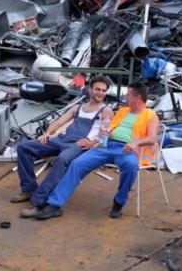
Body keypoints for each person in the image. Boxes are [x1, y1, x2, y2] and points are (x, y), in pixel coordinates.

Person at [35, 81, 159, 220]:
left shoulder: (150, 115)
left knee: (131, 166)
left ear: (137, 97)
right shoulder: (123, 111)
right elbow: (109, 127)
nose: (125, 97)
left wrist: (136, 143)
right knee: (77, 164)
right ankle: (54, 204)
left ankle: (119, 202)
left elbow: (152, 138)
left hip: (127, 149)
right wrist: (103, 133)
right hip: (106, 145)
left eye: (128, 95)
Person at [11, 76, 113, 218]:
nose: (100, 93)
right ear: (90, 89)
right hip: (62, 139)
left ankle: (38, 201)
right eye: (97, 89)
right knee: (24, 147)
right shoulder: (78, 107)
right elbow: (59, 122)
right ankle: (28, 189)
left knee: (63, 159)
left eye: (103, 90)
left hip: (79, 144)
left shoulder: (105, 111)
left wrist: (92, 142)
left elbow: (107, 132)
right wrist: (47, 133)